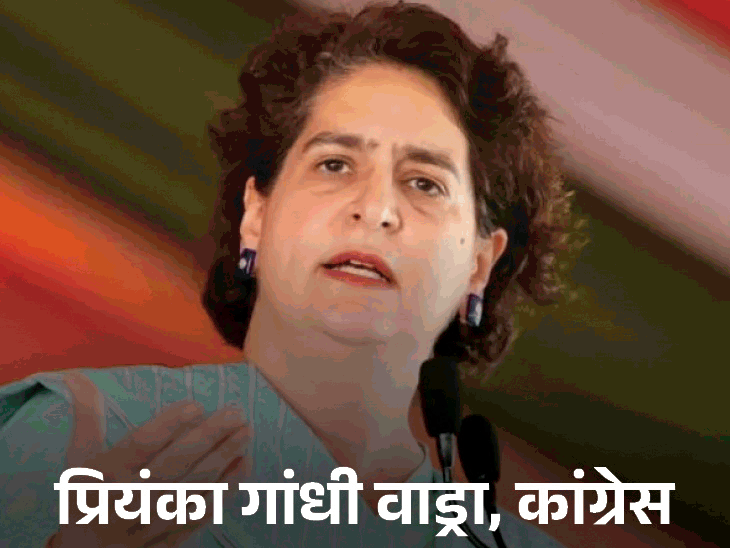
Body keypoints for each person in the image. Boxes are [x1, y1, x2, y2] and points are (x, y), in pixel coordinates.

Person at [0, 2, 580, 546]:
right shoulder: (81, 433)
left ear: (479, 265)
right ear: (256, 215)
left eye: (424, 182)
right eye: (335, 164)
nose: (376, 208)